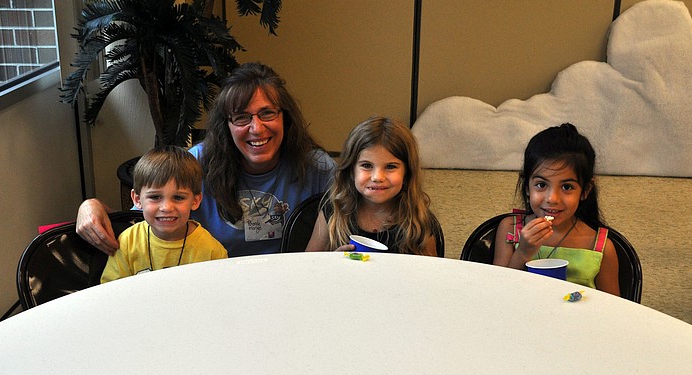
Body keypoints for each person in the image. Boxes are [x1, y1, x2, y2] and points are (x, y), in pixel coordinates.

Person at [77, 62, 336, 257]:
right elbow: (140, 221)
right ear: (227, 125)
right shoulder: (195, 163)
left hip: (289, 289)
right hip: (210, 288)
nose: (256, 128)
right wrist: (91, 206)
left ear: (285, 117)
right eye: (242, 117)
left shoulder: (317, 167)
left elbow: (361, 219)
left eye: (267, 113)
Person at [493, 123, 620, 296]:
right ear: (527, 187)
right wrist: (523, 252)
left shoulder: (601, 247)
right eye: (541, 185)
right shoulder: (510, 229)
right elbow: (497, 293)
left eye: (567, 187)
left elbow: (615, 309)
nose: (552, 199)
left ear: (585, 191)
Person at [305, 116, 441, 256]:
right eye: (366, 165)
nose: (377, 177)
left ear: (407, 173)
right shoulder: (334, 211)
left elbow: (430, 272)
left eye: (390, 167)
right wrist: (333, 262)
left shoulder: (417, 218)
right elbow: (309, 266)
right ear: (351, 170)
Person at [101, 146, 227, 283]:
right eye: (155, 197)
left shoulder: (212, 251)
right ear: (137, 199)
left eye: (178, 198)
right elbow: (111, 291)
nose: (166, 207)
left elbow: (218, 294)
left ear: (195, 201)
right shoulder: (127, 242)